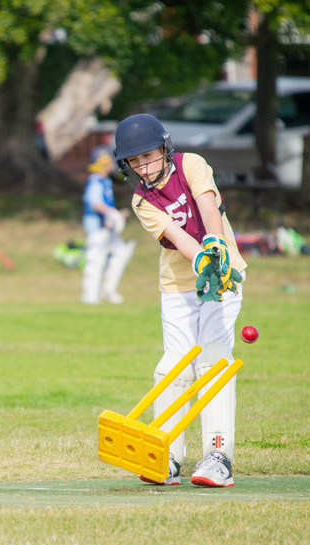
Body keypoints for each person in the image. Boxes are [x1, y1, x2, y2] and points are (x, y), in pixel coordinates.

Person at [113, 114, 247, 488]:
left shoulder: (192, 164)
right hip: (178, 284)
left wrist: (216, 250)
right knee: (172, 367)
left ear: (165, 148)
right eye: (134, 162)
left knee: (213, 361)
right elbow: (178, 236)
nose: (143, 167)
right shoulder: (142, 201)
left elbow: (208, 209)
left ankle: (219, 455)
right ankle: (166, 454)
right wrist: (201, 257)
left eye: (148, 156)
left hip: (225, 274)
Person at [80, 146, 136, 304]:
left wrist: (116, 214)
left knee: (121, 252)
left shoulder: (104, 181)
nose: (109, 165)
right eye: (105, 163)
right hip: (97, 229)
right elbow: (95, 203)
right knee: (96, 259)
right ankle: (90, 294)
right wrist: (112, 213)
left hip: (108, 229)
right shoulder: (95, 181)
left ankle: (107, 289)